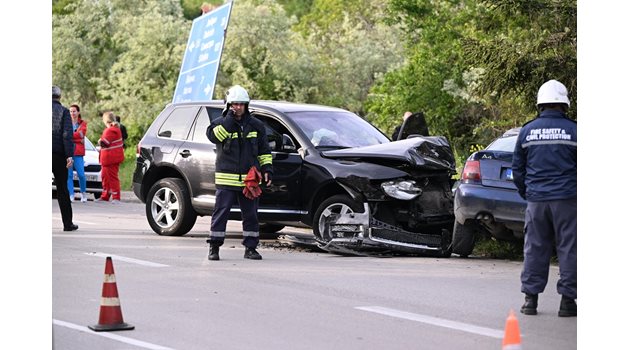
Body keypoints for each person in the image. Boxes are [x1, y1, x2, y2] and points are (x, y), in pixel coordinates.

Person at [512, 79, 577, 317]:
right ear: (564, 104)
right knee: (569, 249)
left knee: (535, 249)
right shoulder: (575, 130)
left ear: (540, 104)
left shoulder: (527, 131)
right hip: (567, 200)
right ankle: (567, 302)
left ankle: (530, 301)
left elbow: (517, 169)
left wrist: (527, 193)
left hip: (537, 201)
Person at [206, 85, 273, 260]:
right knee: (221, 213)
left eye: (241, 104)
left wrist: (267, 170)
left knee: (251, 215)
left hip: (249, 181)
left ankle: (250, 248)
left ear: (246, 105)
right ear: (228, 105)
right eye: (234, 104)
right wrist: (229, 119)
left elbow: (264, 151)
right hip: (226, 180)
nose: (238, 107)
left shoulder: (256, 125)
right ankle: (214, 247)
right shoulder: (219, 124)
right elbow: (215, 137)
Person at [52, 86, 78, 231]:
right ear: (59, 97)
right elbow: (67, 135)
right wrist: (69, 155)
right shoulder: (63, 111)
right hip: (58, 154)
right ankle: (67, 224)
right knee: (62, 189)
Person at [96, 111, 125, 203]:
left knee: (112, 178)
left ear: (105, 120)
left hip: (110, 158)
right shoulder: (116, 129)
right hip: (109, 159)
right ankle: (105, 196)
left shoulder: (111, 130)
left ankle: (116, 197)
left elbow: (105, 143)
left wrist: (100, 141)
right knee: (105, 177)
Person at [68, 104, 89, 202]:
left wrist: (70, 136)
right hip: (68, 151)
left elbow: (81, 134)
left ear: (78, 112)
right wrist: (77, 138)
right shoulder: (66, 122)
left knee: (81, 174)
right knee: (69, 175)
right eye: (71, 111)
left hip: (78, 153)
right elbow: (64, 135)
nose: (72, 113)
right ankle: (71, 195)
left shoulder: (83, 123)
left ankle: (83, 193)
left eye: (74, 111)